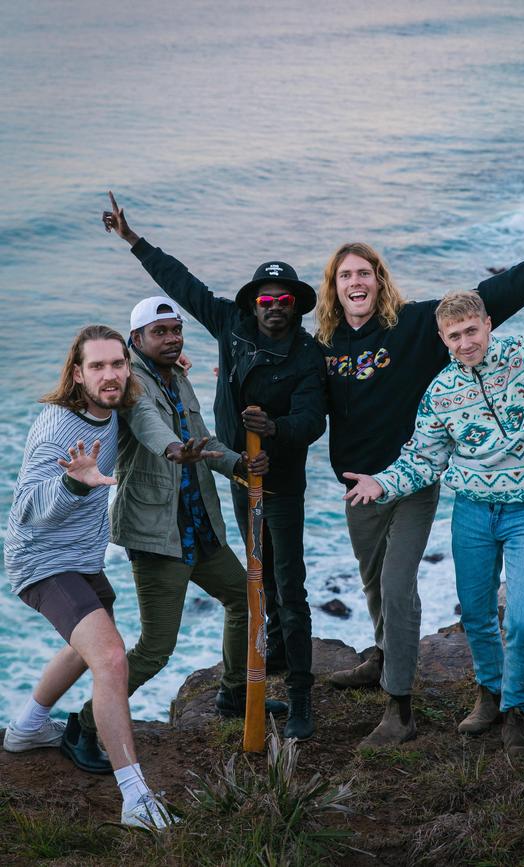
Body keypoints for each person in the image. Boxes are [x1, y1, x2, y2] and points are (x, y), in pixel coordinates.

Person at [314, 215, 524, 748]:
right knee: (405, 594)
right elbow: (299, 388)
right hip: (381, 491)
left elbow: (497, 300)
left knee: (426, 593)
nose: (356, 282)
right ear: (333, 287)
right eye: (345, 275)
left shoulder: (418, 325)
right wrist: (245, 378)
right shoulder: (326, 345)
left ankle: (420, 706)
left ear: (379, 279)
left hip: (479, 497)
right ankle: (419, 669)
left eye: (365, 273)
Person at [102, 192, 327, 741]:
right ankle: (247, 678)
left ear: (295, 305)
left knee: (286, 590)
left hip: (279, 485)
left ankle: (298, 696)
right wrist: (134, 241)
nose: (274, 304)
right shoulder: (229, 324)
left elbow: (313, 419)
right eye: (266, 296)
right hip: (232, 477)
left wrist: (276, 430)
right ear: (254, 303)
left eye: (284, 298)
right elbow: (183, 284)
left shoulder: (308, 354)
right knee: (255, 585)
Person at [73, 297, 286, 752]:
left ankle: (233, 693)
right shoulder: (131, 383)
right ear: (137, 341)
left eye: (176, 330)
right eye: (160, 332)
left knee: (244, 600)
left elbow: (202, 440)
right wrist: (174, 450)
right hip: (158, 536)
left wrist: (241, 465)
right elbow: (150, 425)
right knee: (155, 650)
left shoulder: (179, 375)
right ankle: (85, 726)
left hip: (200, 525)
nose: (172, 339)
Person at [3, 326, 176, 828]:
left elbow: (146, 376)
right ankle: (135, 799)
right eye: (96, 367)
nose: (110, 375)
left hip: (80, 558)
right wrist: (72, 484)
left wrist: (169, 368)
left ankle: (28, 728)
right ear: (77, 374)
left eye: (117, 364)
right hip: (42, 560)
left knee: (88, 647)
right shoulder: (58, 429)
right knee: (111, 656)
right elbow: (28, 509)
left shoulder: (114, 406)